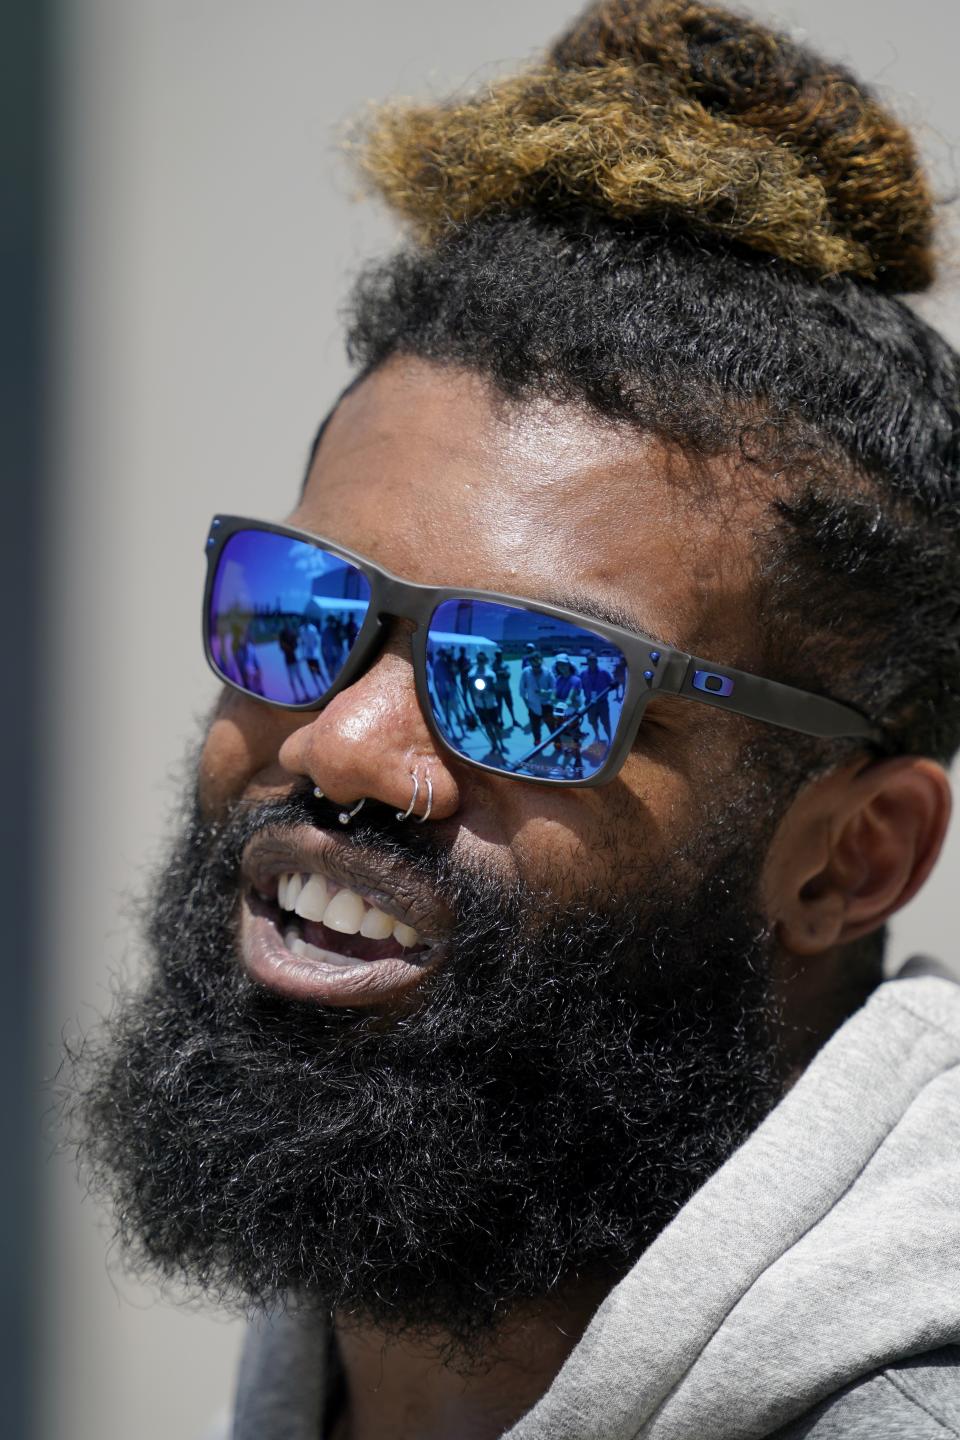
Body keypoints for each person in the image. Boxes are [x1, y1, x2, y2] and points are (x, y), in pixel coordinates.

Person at [69, 4, 960, 1438]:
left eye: (538, 677)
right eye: (301, 607)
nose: (341, 747)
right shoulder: (400, 1297)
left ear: (851, 857)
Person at [519, 650, 554, 747]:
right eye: (534, 666)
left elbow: (555, 689)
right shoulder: (526, 672)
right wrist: (527, 705)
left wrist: (546, 692)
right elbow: (522, 691)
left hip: (547, 705)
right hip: (533, 706)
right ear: (530, 663)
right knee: (535, 728)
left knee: (552, 726)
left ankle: (557, 743)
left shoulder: (548, 672)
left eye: (538, 666)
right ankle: (537, 743)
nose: (536, 669)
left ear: (541, 662)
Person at [580, 652, 615, 744]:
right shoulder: (583, 674)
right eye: (590, 660)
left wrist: (606, 691)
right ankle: (597, 736)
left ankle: (610, 739)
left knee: (606, 723)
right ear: (587, 661)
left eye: (594, 659)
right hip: (590, 704)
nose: (592, 661)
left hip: (602, 703)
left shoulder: (604, 672)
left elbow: (612, 684)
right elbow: (580, 687)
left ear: (597, 661)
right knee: (593, 722)